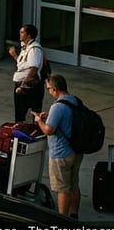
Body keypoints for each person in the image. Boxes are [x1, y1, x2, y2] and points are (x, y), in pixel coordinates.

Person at [34, 74, 82, 219]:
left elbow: (49, 130)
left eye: (49, 89)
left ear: (55, 89)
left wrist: (39, 120)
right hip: (76, 150)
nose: (49, 91)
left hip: (61, 154)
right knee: (74, 185)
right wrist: (50, 115)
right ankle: (74, 215)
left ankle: (62, 221)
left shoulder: (58, 106)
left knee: (62, 189)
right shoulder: (74, 100)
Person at [9, 23, 47, 121]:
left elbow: (33, 69)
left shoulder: (34, 49)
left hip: (29, 88)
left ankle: (32, 133)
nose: (20, 34)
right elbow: (23, 65)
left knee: (34, 114)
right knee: (19, 115)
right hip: (21, 87)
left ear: (29, 35)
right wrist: (14, 55)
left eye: (22, 32)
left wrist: (22, 85)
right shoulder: (25, 48)